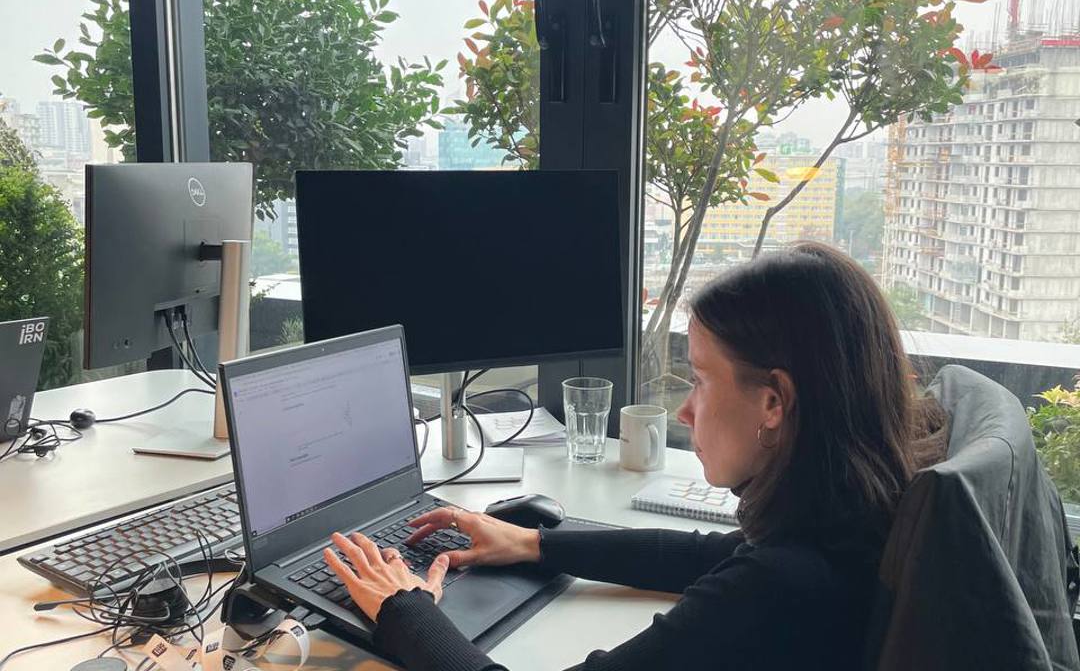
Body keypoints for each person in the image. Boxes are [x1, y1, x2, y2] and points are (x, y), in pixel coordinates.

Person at [322, 241, 947, 670]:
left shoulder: (781, 588)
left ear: (774, 402)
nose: (684, 411)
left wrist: (402, 609)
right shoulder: (852, 518)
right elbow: (711, 554)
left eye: (700, 380)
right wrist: (533, 544)